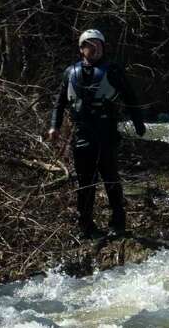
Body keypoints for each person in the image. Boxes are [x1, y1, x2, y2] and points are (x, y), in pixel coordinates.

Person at [47, 28, 147, 239]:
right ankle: (86, 225)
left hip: (106, 134)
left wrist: (139, 124)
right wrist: (54, 126)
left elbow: (130, 98)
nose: (95, 49)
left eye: (98, 45)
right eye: (90, 45)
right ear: (82, 49)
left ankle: (118, 223)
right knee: (85, 183)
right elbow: (59, 103)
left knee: (111, 179)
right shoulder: (70, 72)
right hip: (81, 136)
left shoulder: (113, 70)